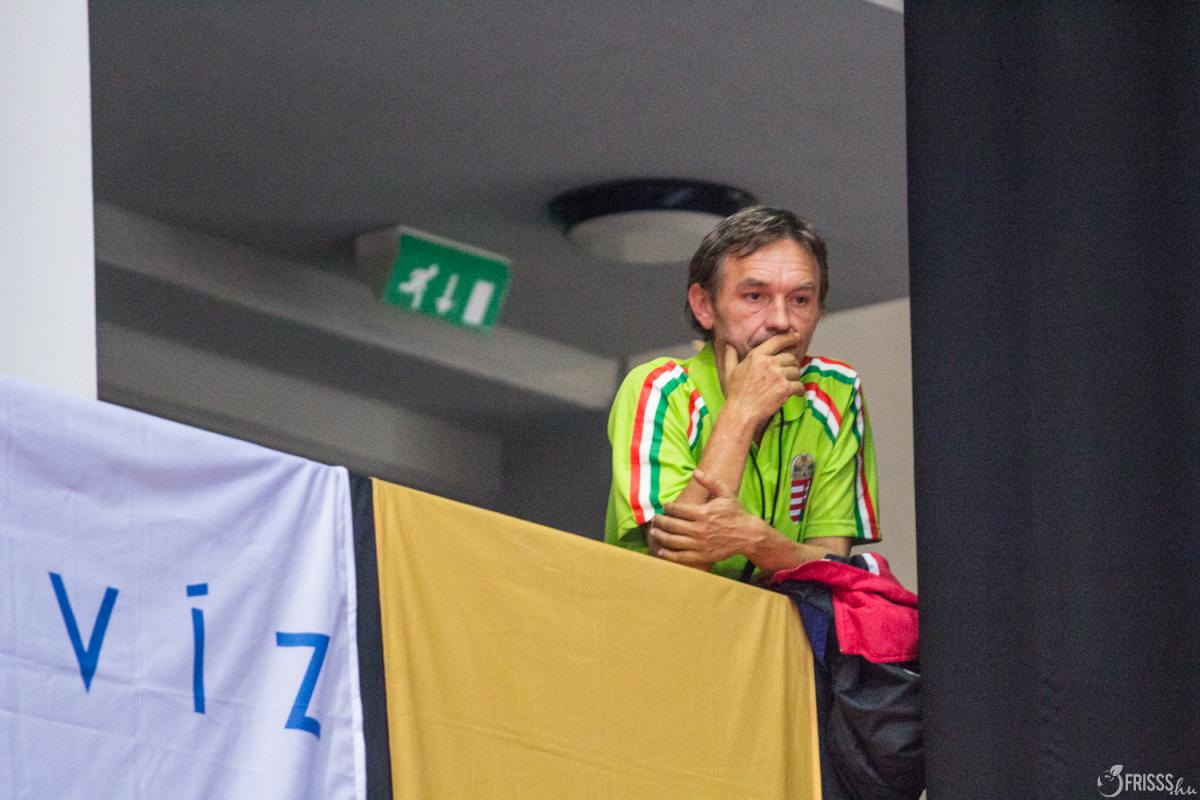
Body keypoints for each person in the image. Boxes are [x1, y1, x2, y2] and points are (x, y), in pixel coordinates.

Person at [604, 206, 880, 581]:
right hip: (660, 616)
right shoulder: (659, 388)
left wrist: (758, 542)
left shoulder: (836, 390)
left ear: (819, 311)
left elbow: (834, 572)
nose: (781, 320)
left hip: (780, 622)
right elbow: (678, 566)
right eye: (754, 296)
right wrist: (741, 411)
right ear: (705, 306)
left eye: (800, 300)